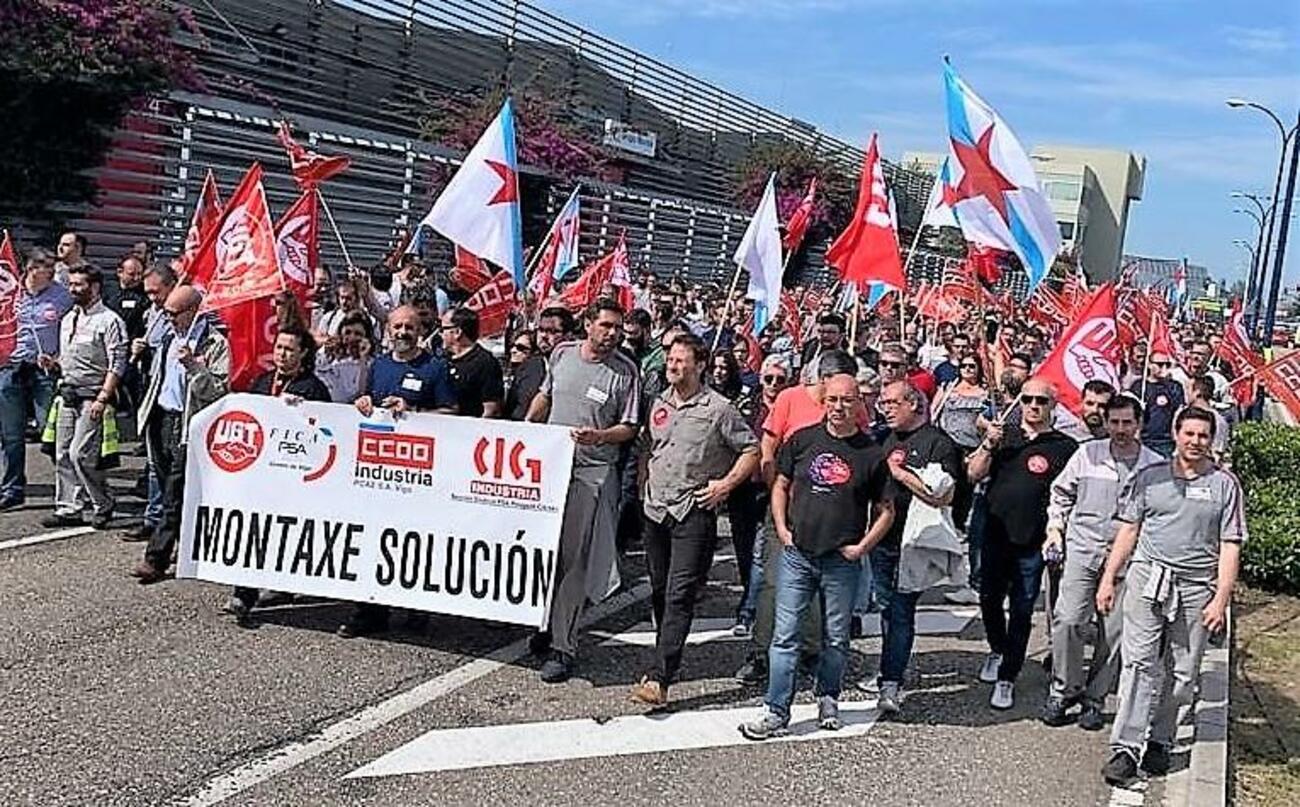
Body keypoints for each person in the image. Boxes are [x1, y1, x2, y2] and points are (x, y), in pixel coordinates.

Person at [739, 373, 895, 739]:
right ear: (823, 401)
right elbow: (780, 484)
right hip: (798, 555)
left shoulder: (871, 453)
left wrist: (862, 547)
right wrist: (781, 528)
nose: (839, 407)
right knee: (785, 636)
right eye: (833, 400)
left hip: (841, 561)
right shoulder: (802, 440)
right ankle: (776, 710)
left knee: (836, 638)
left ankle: (828, 696)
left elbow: (886, 508)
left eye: (847, 400)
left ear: (860, 404)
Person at [1098, 408, 1245, 787]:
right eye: (1189, 433)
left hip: (1196, 587)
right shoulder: (1151, 477)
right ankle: (1126, 747)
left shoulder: (1225, 485)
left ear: (1211, 440)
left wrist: (1221, 599)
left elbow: (1230, 545)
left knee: (1183, 672)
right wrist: (1109, 578)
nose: (1195, 441)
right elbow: (1130, 530)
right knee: (1138, 663)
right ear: (1176, 435)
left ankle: (1161, 739)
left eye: (1203, 435)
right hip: (1148, 579)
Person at [629, 334, 759, 707]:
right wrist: (642, 479)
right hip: (655, 507)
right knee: (658, 589)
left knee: (680, 592)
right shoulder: (658, 402)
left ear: (700, 365)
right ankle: (666, 649)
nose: (672, 366)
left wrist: (726, 485)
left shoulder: (719, 409)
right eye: (670, 359)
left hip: (693, 511)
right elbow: (648, 445)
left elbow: (750, 449)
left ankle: (660, 676)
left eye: (681, 361)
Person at [525, 299, 641, 683]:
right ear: (588, 324)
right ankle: (541, 625)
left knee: (573, 561)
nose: (612, 334)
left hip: (591, 475)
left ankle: (564, 645)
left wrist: (600, 436)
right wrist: (527, 425)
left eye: (617, 328)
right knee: (543, 554)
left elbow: (629, 428)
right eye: (605, 325)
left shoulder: (626, 372)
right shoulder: (561, 354)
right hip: (549, 470)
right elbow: (546, 395)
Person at [734, 350, 863, 685]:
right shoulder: (791, 399)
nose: (838, 401)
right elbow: (768, 442)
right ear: (821, 379)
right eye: (833, 389)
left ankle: (810, 651)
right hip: (787, 508)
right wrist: (773, 481)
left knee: (822, 587)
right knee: (773, 583)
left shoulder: (848, 406)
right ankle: (761, 652)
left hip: (830, 514)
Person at [1041, 394, 1163, 730]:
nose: (1121, 429)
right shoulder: (1087, 454)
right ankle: (1064, 689)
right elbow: (1061, 494)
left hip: (1128, 559)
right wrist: (1055, 529)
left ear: (1139, 424)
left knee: (1114, 632)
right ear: (1106, 423)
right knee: (1067, 620)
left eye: (1127, 422)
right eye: (1115, 422)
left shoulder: (1154, 466)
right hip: (1082, 549)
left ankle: (1094, 699)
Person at [338, 306, 457, 637]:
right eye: (397, 326)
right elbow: (367, 403)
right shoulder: (379, 365)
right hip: (378, 471)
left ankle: (416, 607)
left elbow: (452, 412)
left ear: (420, 331)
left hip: (418, 473)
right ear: (388, 330)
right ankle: (369, 612)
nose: (403, 332)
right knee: (372, 537)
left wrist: (415, 411)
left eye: (409, 326)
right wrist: (362, 403)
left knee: (413, 540)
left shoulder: (435, 368)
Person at [967, 379, 1078, 710]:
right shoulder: (1004, 436)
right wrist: (989, 444)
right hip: (995, 533)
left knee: (1022, 607)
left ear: (1051, 406)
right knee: (988, 598)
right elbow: (973, 474)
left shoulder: (1065, 447)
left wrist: (1060, 534)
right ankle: (998, 648)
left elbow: (1072, 494)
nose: (1032, 406)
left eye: (1040, 401)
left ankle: (1007, 676)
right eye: (1026, 399)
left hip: (1035, 539)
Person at [867, 380, 965, 714]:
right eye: (883, 404)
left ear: (914, 404)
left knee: (900, 611)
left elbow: (944, 494)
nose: (887, 410)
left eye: (893, 403)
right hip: (879, 538)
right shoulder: (882, 437)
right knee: (887, 608)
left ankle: (891, 681)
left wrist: (901, 474)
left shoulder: (938, 443)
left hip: (913, 542)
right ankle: (890, 666)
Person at [224, 325, 332, 625]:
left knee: (285, 533)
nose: (281, 354)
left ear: (303, 354)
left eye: (289, 350)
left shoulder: (313, 388)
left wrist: (301, 414)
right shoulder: (262, 381)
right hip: (263, 474)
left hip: (294, 476)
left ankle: (286, 583)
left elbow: (326, 430)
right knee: (254, 530)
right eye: (279, 348)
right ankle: (243, 594)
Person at [132, 285, 230, 582]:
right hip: (161, 417)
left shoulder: (214, 343)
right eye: (166, 312)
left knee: (174, 492)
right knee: (168, 485)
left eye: (174, 313)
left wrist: (194, 367)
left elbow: (219, 390)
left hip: (189, 424)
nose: (169, 317)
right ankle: (191, 543)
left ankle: (156, 558)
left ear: (192, 311)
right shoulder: (165, 337)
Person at [42, 265, 128, 530]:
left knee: (81, 454)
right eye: (71, 284)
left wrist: (104, 397)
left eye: (79, 285)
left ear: (95, 287)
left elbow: (118, 363)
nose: (73, 289)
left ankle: (103, 503)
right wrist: (52, 363)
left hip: (94, 396)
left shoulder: (110, 320)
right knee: (63, 454)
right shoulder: (68, 318)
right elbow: (66, 357)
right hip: (67, 392)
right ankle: (69, 508)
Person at [1, 248, 73, 511]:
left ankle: (70, 489)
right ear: (32, 269)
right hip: (11, 367)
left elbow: (72, 330)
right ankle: (12, 488)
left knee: (51, 430)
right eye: (48, 269)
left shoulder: (62, 296)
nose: (54, 274)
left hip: (44, 370)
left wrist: (57, 358)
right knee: (11, 434)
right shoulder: (9, 293)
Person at [441, 306, 504, 418]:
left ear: (457, 332)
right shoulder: (441, 359)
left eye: (443, 329)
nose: (441, 335)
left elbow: (491, 409)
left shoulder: (485, 363)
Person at [1129, 350, 1184, 458]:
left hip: (1165, 442)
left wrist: (1177, 441)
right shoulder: (1139, 386)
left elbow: (1178, 413)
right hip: (1144, 440)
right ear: (1149, 364)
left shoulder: (1174, 387)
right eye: (1159, 364)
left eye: (1167, 364)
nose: (1163, 368)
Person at [315, 310, 374, 404]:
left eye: (357, 334)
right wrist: (327, 353)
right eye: (348, 332)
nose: (351, 337)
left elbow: (362, 392)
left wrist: (363, 358)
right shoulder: (328, 353)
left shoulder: (369, 363)